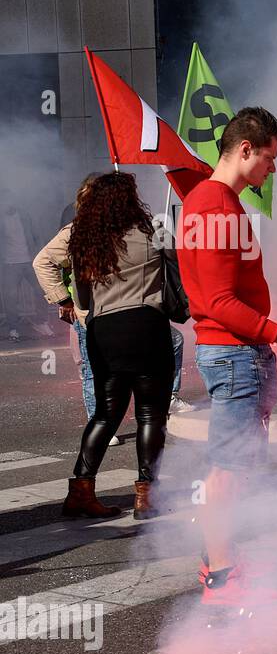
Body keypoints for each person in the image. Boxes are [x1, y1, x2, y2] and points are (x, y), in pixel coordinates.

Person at [178, 107, 277, 603]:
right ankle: (221, 572)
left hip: (233, 354)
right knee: (229, 468)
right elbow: (218, 302)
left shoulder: (207, 201)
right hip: (235, 354)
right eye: (269, 157)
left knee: (231, 467)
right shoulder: (216, 206)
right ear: (245, 150)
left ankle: (223, 560)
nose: (272, 169)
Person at [44, 172, 170, 520]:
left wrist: (65, 301)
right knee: (150, 415)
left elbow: (43, 261)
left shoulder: (80, 235)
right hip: (148, 327)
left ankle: (82, 489)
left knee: (106, 413)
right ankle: (147, 495)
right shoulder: (154, 230)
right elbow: (179, 268)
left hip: (105, 330)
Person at [36, 174, 122, 445]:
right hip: (89, 315)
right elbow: (44, 262)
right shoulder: (75, 232)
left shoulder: (127, 230)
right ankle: (99, 424)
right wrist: (63, 300)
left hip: (123, 313)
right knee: (92, 369)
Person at [1, 189, 55, 341]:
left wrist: (40, 255)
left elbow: (36, 236)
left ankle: (41, 322)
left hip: (29, 261)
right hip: (10, 263)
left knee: (42, 290)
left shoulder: (24, 215)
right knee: (11, 297)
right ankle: (13, 328)